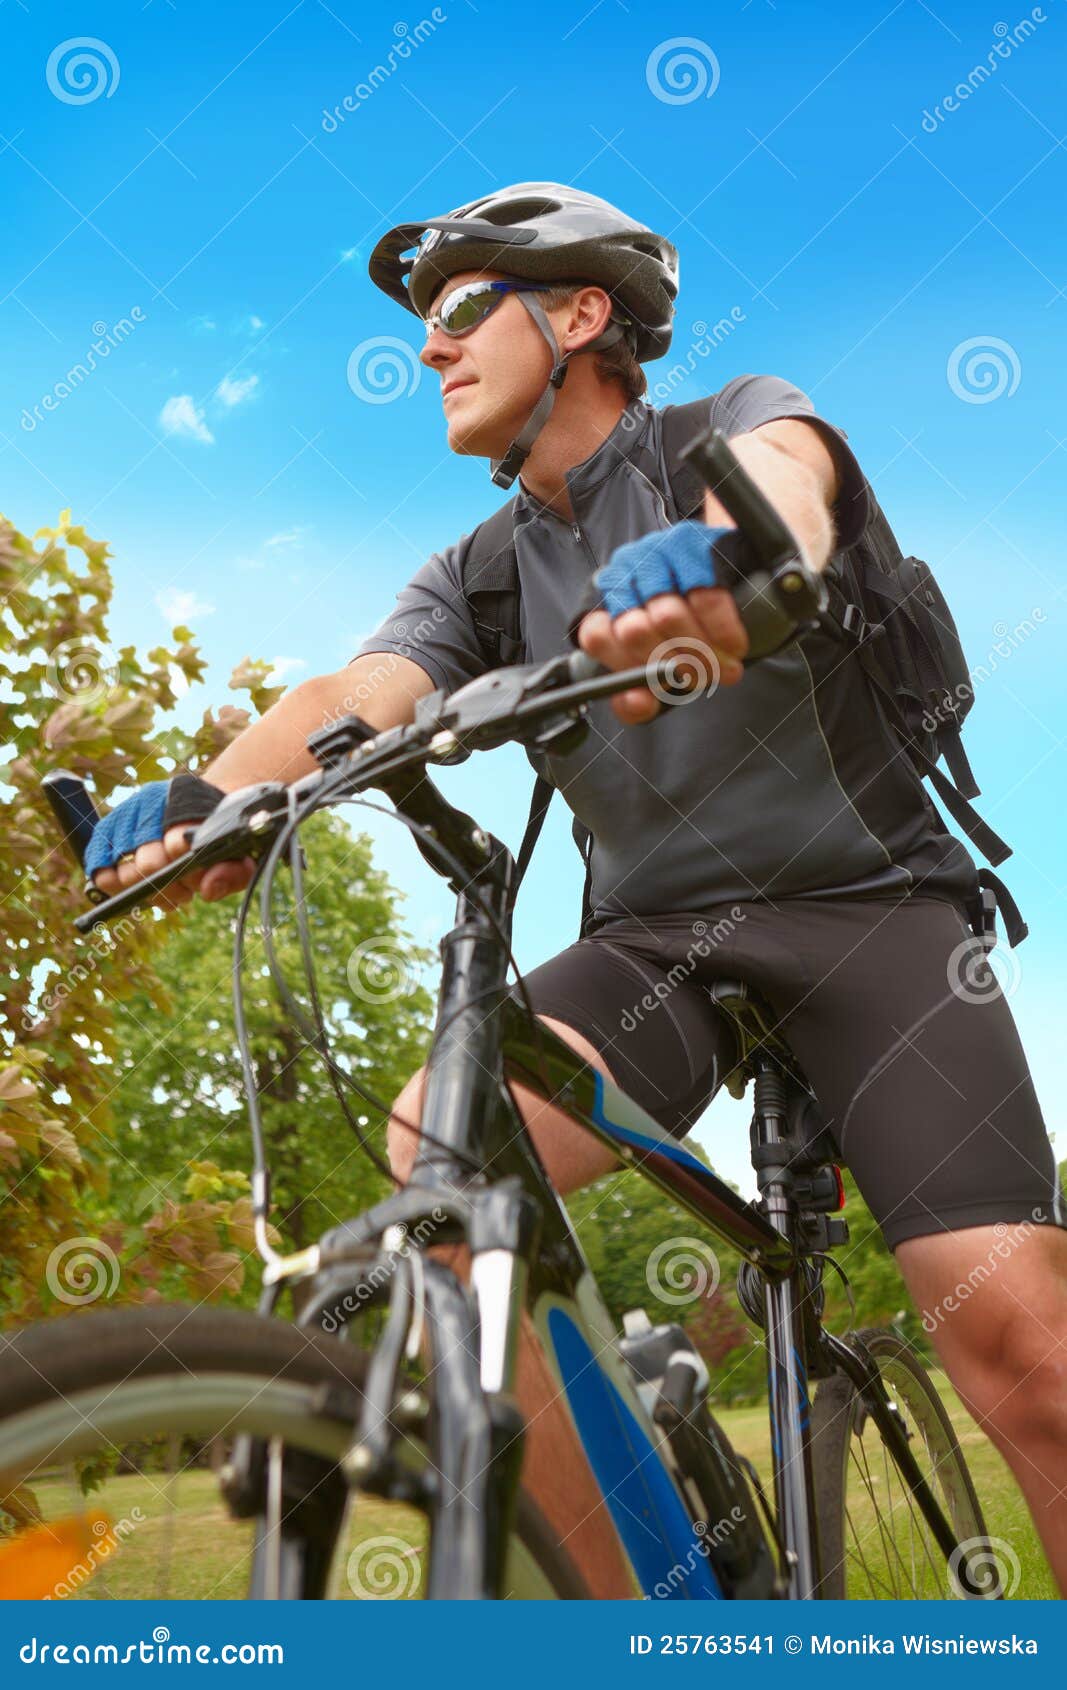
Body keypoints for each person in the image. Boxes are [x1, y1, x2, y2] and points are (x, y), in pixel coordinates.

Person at [87, 183, 1067, 1596]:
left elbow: (794, 474)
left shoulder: (724, 428)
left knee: (1020, 1342)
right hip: (662, 947)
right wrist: (206, 800)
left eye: (461, 308)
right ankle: (645, 1629)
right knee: (445, 1138)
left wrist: (737, 554)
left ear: (583, 313)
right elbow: (357, 690)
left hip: (873, 918)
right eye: (424, 324)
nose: (428, 347)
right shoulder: (482, 568)